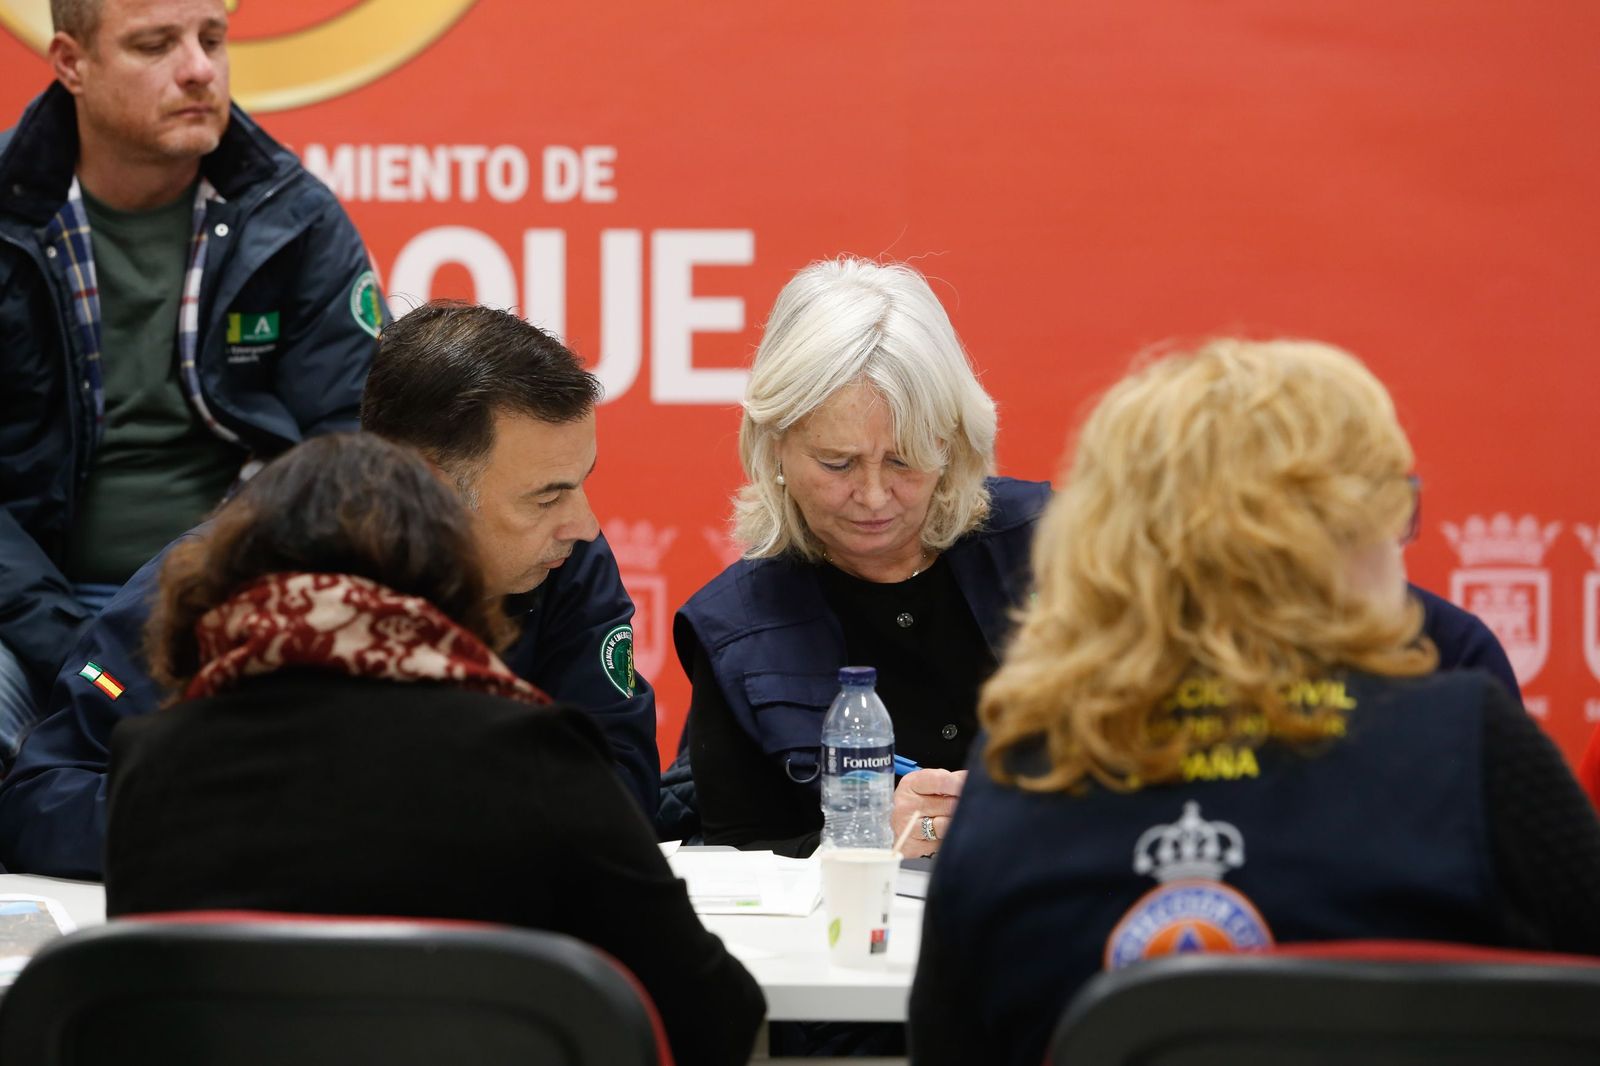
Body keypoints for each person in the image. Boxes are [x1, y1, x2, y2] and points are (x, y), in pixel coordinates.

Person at [907, 339, 1600, 1066]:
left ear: (1105, 540)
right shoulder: (1472, 751)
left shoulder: (1022, 772)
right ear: (1342, 536)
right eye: (1395, 510)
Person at [103, 433, 763, 1066]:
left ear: (228, 580)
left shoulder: (153, 761)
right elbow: (714, 1014)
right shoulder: (531, 754)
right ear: (445, 574)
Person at [0, 303, 657, 878]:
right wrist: (254, 824)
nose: (583, 523)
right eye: (546, 496)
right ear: (424, 487)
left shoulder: (564, 562)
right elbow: (44, 802)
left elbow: (617, 786)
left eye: (581, 483)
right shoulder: (218, 579)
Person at [0, 0, 386, 762]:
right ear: (72, 63)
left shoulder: (294, 217)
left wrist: (224, 611)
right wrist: (82, 651)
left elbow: (351, 453)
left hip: (235, 600)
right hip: (28, 616)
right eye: (156, 45)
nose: (200, 69)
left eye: (212, 38)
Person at [675, 257, 1050, 860]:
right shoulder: (737, 628)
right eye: (837, 463)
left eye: (904, 460)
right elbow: (735, 861)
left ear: (953, 445)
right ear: (774, 448)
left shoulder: (1053, 548)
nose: (874, 497)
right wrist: (865, 838)